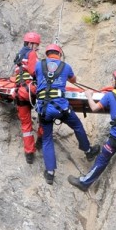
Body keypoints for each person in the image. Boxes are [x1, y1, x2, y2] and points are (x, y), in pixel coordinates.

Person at [69, 68, 116, 192]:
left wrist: (89, 96)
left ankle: (84, 183)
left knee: (102, 158)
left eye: (113, 79)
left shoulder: (109, 96)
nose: (112, 80)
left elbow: (94, 108)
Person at [34, 43, 98, 184]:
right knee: (77, 125)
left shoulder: (39, 65)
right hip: (61, 108)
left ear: (47, 54)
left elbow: (35, 77)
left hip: (44, 109)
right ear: (60, 55)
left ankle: (50, 173)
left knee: (47, 139)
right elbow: (73, 80)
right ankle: (88, 151)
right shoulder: (66, 67)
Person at [12, 31, 43, 164]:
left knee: (26, 124)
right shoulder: (31, 53)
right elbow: (33, 71)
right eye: (36, 45)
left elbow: (17, 74)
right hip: (30, 90)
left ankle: (29, 153)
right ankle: (41, 139)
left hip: (19, 92)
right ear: (30, 44)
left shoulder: (19, 54)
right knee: (44, 115)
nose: (37, 48)